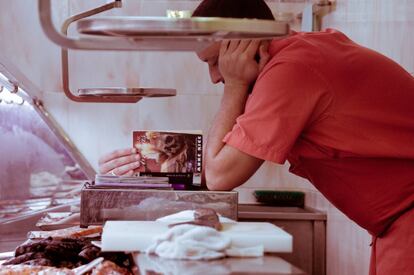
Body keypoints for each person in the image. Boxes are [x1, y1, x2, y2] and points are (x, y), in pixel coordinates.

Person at [99, 0, 414, 274]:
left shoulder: (294, 67)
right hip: (397, 226)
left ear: (245, 43)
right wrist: (148, 165)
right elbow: (216, 166)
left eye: (214, 61)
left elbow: (222, 175)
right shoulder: (301, 54)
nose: (214, 77)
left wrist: (235, 85)